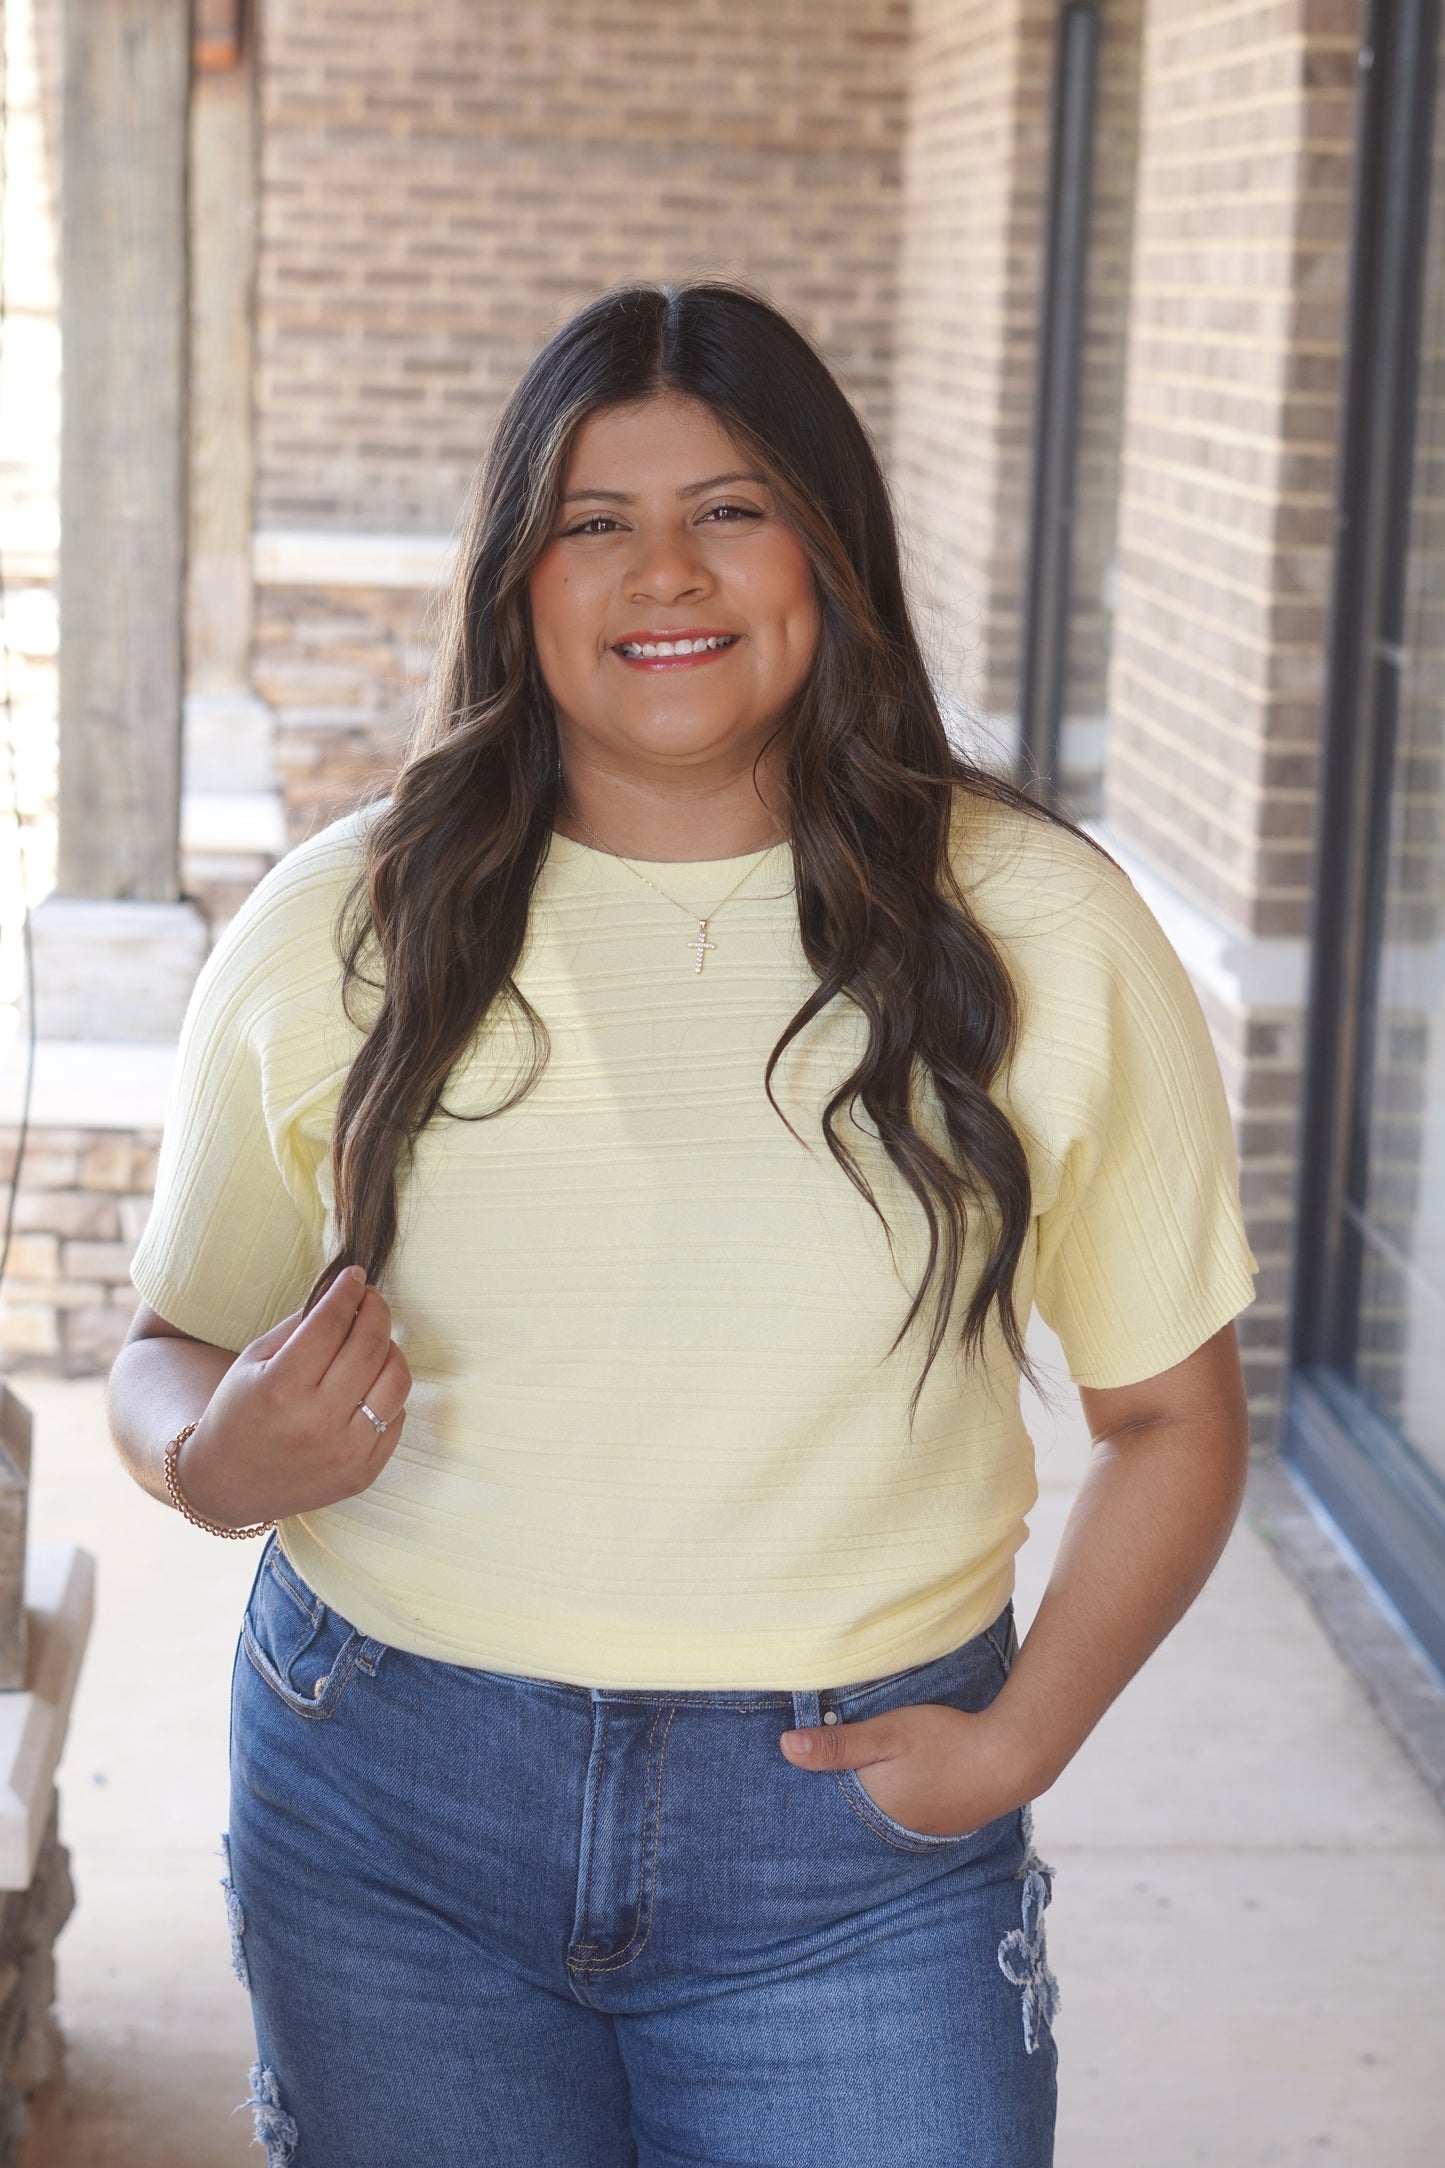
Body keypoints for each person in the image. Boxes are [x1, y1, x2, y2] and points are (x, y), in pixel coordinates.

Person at [106, 281, 1256, 2168]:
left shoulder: (1036, 926)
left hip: (849, 1846)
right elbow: (166, 1359)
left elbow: (1171, 1418)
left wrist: (1021, 1738)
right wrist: (217, 1464)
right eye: (594, 520)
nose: (666, 573)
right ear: (517, 581)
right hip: (387, 1806)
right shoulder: (338, 930)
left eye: (730, 509)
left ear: (828, 550)